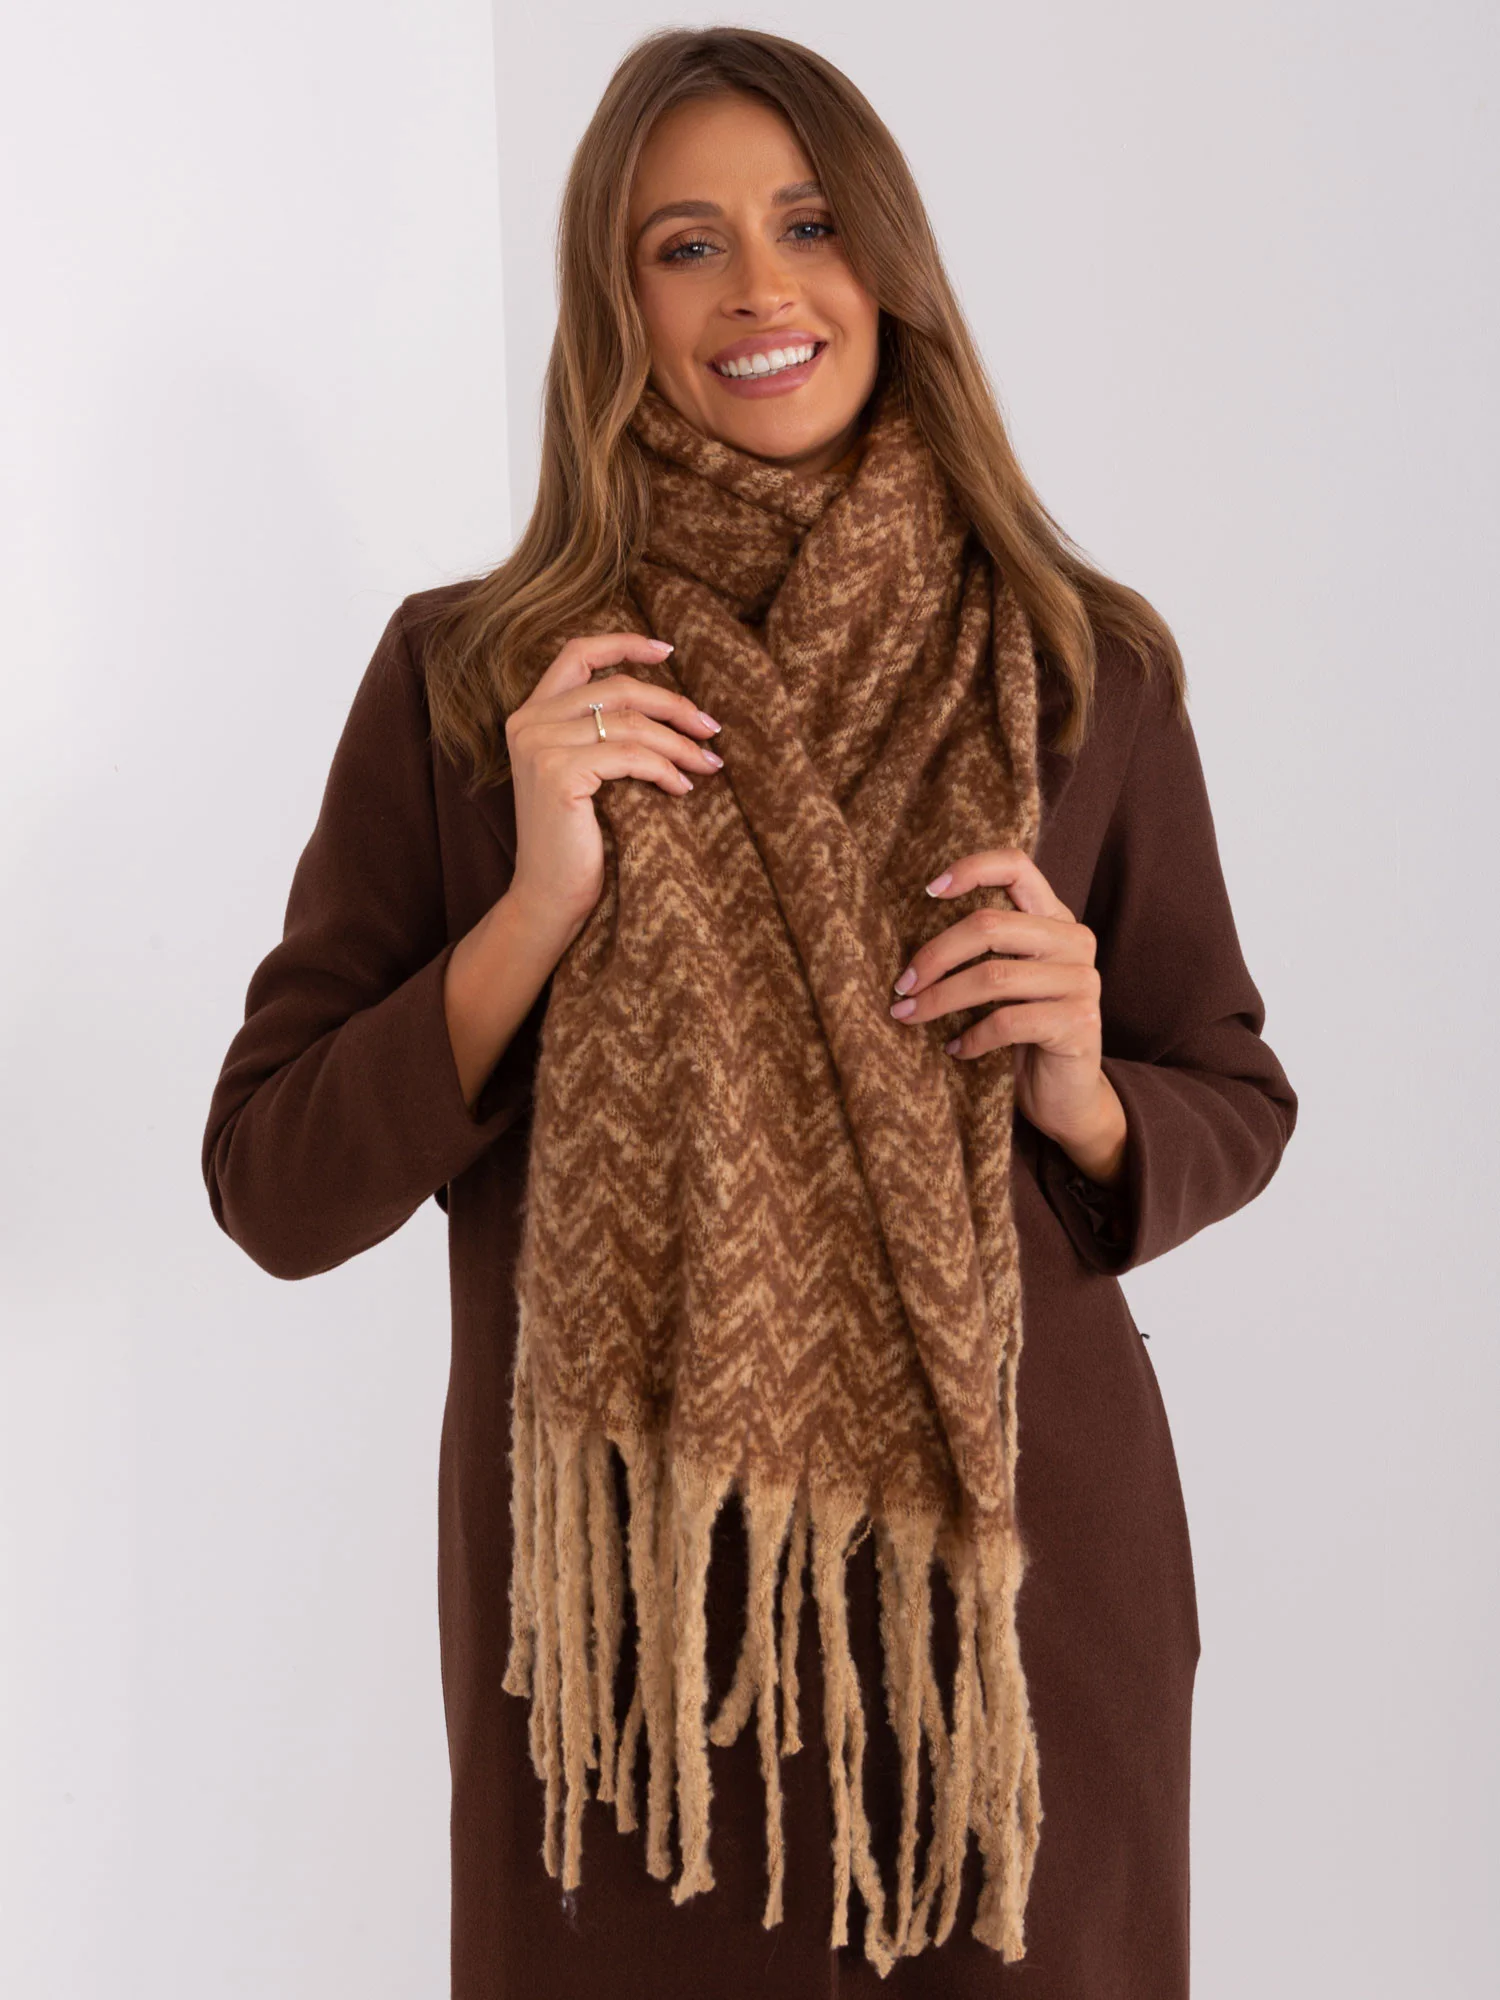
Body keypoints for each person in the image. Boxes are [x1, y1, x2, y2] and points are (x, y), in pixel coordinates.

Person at [202, 26, 1297, 2000]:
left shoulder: (1077, 662)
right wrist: (536, 908)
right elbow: (274, 1184)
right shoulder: (479, 678)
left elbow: (1233, 1088)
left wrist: (1089, 1089)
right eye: (684, 244)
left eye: (808, 224)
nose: (760, 289)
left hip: (1014, 1624)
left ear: (890, 263)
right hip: (625, 1664)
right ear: (613, 304)